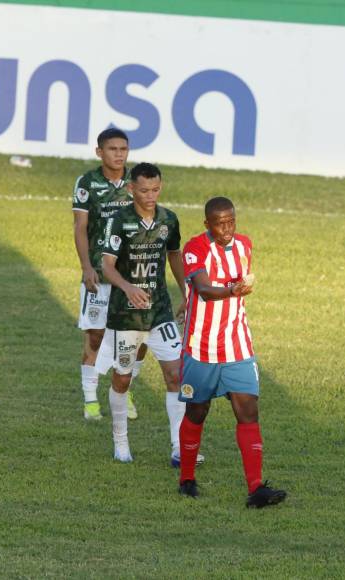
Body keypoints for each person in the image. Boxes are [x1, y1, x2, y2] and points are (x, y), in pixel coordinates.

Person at [176, 197, 287, 508]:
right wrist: (234, 289)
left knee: (248, 412)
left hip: (237, 344)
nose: (226, 229)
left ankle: (256, 488)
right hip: (200, 348)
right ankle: (186, 479)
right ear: (207, 225)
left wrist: (240, 288)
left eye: (231, 222)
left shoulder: (245, 246)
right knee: (197, 412)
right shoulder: (195, 248)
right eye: (219, 224)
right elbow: (204, 290)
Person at [97, 162, 202, 467]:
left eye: (155, 189)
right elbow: (106, 265)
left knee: (176, 374)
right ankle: (120, 441)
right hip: (126, 316)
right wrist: (128, 288)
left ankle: (178, 447)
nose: (150, 195)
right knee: (123, 377)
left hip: (160, 312)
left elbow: (173, 255)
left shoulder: (169, 219)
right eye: (144, 190)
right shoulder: (119, 220)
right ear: (131, 189)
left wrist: (186, 291)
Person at [72, 128, 144, 421]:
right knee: (96, 336)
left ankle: (123, 393)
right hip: (99, 275)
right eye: (112, 149)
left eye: (123, 149)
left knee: (136, 341)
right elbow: (79, 227)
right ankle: (90, 401)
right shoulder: (87, 183)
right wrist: (86, 267)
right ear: (99, 152)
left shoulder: (137, 181)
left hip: (131, 276)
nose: (118, 154)